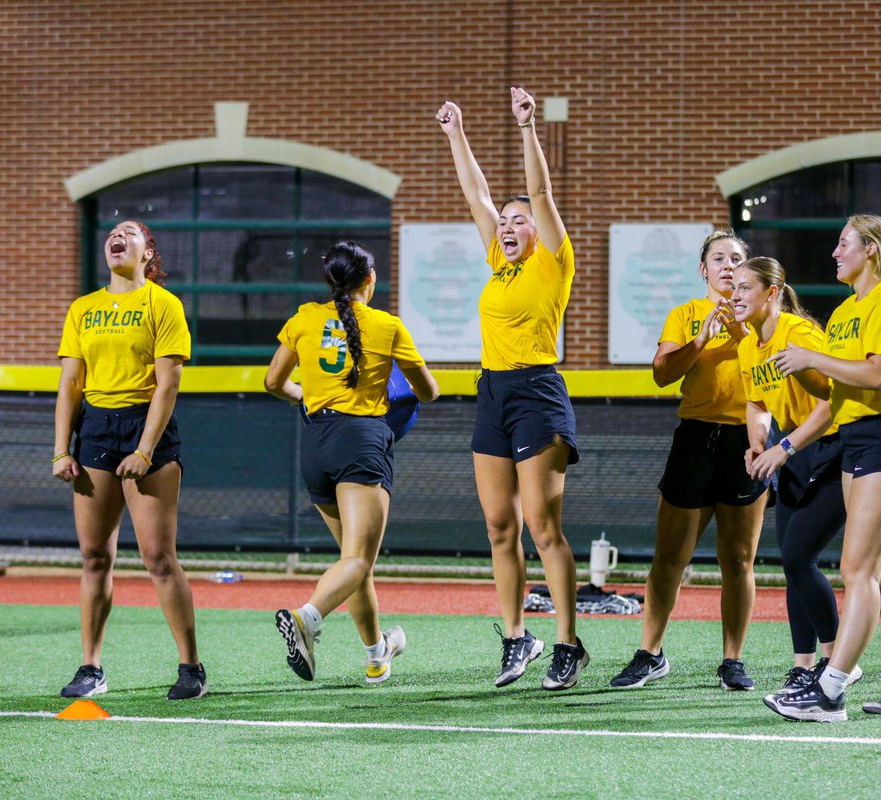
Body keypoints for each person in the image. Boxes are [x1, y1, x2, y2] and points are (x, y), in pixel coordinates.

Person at [764, 214, 881, 722]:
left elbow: (880, 376)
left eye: (844, 244)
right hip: (860, 441)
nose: (835, 252)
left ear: (870, 250)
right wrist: (788, 437)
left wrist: (813, 361)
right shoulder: (845, 310)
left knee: (856, 569)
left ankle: (830, 689)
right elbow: (839, 396)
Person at [436, 88, 587, 690]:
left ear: (539, 230)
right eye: (503, 221)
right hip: (492, 393)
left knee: (541, 526)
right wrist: (456, 133)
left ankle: (567, 643)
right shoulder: (500, 266)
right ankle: (516, 637)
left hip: (538, 392)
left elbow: (542, 195)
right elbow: (475, 194)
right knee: (499, 526)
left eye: (516, 220)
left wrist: (528, 129)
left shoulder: (554, 260)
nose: (505, 224)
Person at [268, 241, 438, 685]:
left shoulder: (305, 316)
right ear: (370, 279)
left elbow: (273, 381)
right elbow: (428, 390)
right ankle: (307, 618)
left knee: (352, 560)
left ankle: (377, 653)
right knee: (359, 560)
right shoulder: (386, 324)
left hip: (316, 442)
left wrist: (305, 394)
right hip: (361, 441)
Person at [53, 220, 206, 701]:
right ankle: (91, 668)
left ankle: (191, 668)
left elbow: (168, 385)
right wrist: (61, 449)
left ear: (147, 251)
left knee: (158, 558)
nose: (116, 237)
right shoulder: (84, 308)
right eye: (112, 233)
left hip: (148, 430)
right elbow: (70, 386)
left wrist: (143, 449)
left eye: (129, 233)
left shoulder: (163, 303)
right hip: (96, 429)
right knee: (95, 556)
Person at [610, 230, 769, 690]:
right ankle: (650, 653)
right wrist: (701, 340)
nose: (727, 265)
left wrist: (744, 332)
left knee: (738, 560)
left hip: (746, 440)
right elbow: (662, 374)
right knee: (669, 557)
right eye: (718, 258)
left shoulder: (762, 317)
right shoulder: (685, 315)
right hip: (696, 438)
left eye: (736, 259)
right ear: (703, 269)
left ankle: (732, 660)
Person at [731, 257, 862, 694]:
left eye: (745, 287)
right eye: (733, 287)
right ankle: (804, 668)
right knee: (793, 561)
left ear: (772, 292)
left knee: (798, 556)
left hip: (834, 446)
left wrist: (783, 448)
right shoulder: (749, 343)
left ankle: (838, 662)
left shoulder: (799, 333)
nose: (735, 295)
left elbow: (833, 403)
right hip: (795, 450)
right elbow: (757, 404)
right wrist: (758, 442)